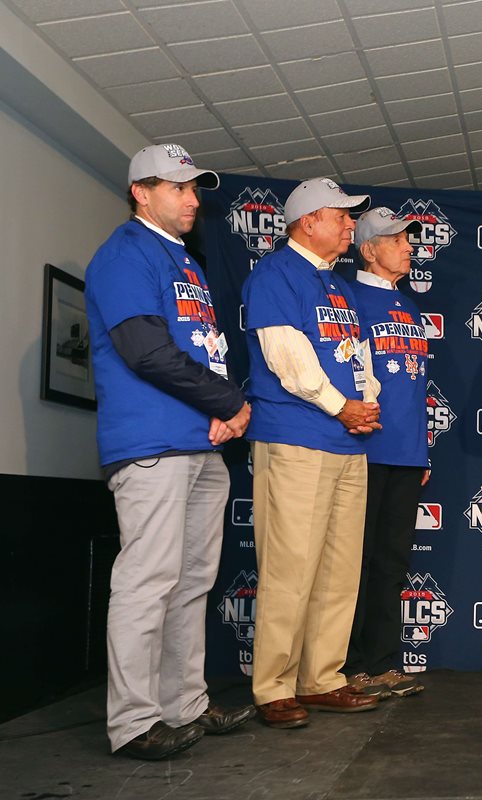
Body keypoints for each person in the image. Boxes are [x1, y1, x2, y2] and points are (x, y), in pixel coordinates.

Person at [86, 144, 255, 759]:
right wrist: (229, 403)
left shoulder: (186, 262)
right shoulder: (126, 253)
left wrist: (221, 408)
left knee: (190, 582)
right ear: (141, 191)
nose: (192, 199)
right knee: (146, 581)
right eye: (179, 188)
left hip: (201, 444)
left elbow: (199, 349)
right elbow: (145, 351)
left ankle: (183, 706)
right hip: (152, 442)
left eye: (194, 189)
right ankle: (133, 723)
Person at [242, 178, 382, 729]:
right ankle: (273, 685)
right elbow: (287, 358)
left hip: (349, 439)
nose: (351, 224)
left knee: (338, 570)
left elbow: (358, 352)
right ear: (307, 222)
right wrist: (342, 405)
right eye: (341, 216)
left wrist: (366, 402)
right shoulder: (275, 273)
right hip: (298, 434)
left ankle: (322, 677)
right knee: (289, 566)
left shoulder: (338, 285)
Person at [342, 207, 429, 700]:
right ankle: (349, 665)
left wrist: (422, 451)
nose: (408, 246)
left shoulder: (410, 306)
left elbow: (414, 390)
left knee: (393, 561)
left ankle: (383, 662)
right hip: (363, 450)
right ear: (369, 249)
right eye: (396, 239)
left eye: (408, 239)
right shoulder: (348, 298)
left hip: (406, 453)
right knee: (356, 560)